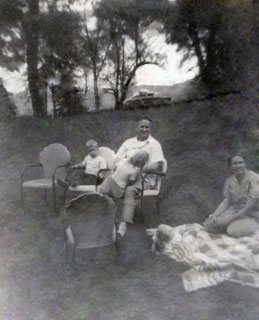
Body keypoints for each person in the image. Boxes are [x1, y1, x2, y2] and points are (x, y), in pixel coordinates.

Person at [114, 117, 166, 237]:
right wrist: (124, 167)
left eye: (147, 127)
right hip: (124, 174)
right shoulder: (128, 143)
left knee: (129, 190)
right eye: (142, 126)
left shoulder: (154, 144)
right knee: (109, 184)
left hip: (144, 179)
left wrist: (139, 169)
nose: (144, 129)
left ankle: (124, 223)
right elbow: (117, 159)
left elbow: (159, 165)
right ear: (136, 128)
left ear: (150, 128)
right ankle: (105, 216)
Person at [204, 155, 259, 237]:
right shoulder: (230, 180)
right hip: (235, 210)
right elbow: (227, 201)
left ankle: (252, 226)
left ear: (245, 164)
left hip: (252, 213)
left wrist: (229, 219)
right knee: (210, 225)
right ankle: (232, 224)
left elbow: (249, 206)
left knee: (233, 230)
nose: (238, 166)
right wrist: (215, 215)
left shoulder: (254, 178)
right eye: (235, 163)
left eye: (240, 163)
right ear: (231, 166)